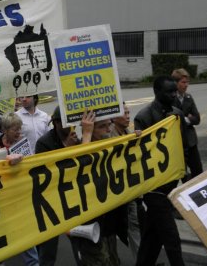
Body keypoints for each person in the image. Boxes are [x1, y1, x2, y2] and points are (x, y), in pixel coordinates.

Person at [134, 75, 186, 266]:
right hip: (153, 188)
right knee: (171, 237)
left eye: (175, 91)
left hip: (171, 185)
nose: (174, 94)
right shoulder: (143, 117)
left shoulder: (177, 115)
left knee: (152, 239)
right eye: (169, 91)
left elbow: (186, 149)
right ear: (156, 92)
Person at [35, 106, 95, 266]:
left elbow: (83, 166)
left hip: (72, 199)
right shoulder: (44, 143)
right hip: (51, 203)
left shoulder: (75, 139)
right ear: (55, 123)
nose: (70, 127)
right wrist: (66, 150)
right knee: (48, 250)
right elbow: (49, 176)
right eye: (65, 123)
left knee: (79, 243)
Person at [69, 119, 128, 266]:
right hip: (90, 227)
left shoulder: (109, 146)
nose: (108, 130)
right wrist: (87, 134)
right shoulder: (75, 150)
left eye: (109, 125)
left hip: (109, 225)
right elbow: (81, 168)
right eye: (102, 127)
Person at [16, 94, 50, 265]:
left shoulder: (45, 117)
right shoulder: (17, 117)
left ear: (35, 98)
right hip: (24, 168)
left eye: (27, 96)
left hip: (42, 167)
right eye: (21, 96)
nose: (23, 99)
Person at [110, 102, 143, 260]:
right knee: (111, 233)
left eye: (129, 113)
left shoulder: (128, 132)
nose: (128, 116)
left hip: (129, 189)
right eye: (125, 113)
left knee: (134, 225)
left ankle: (142, 261)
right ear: (113, 117)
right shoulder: (108, 135)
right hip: (114, 192)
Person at [172, 68, 203, 179]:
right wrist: (187, 118)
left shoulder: (188, 97)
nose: (186, 85)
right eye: (183, 82)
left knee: (198, 171)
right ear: (176, 83)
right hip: (177, 142)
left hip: (190, 141)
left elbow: (197, 119)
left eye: (187, 82)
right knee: (182, 174)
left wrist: (185, 119)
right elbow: (172, 119)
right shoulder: (171, 98)